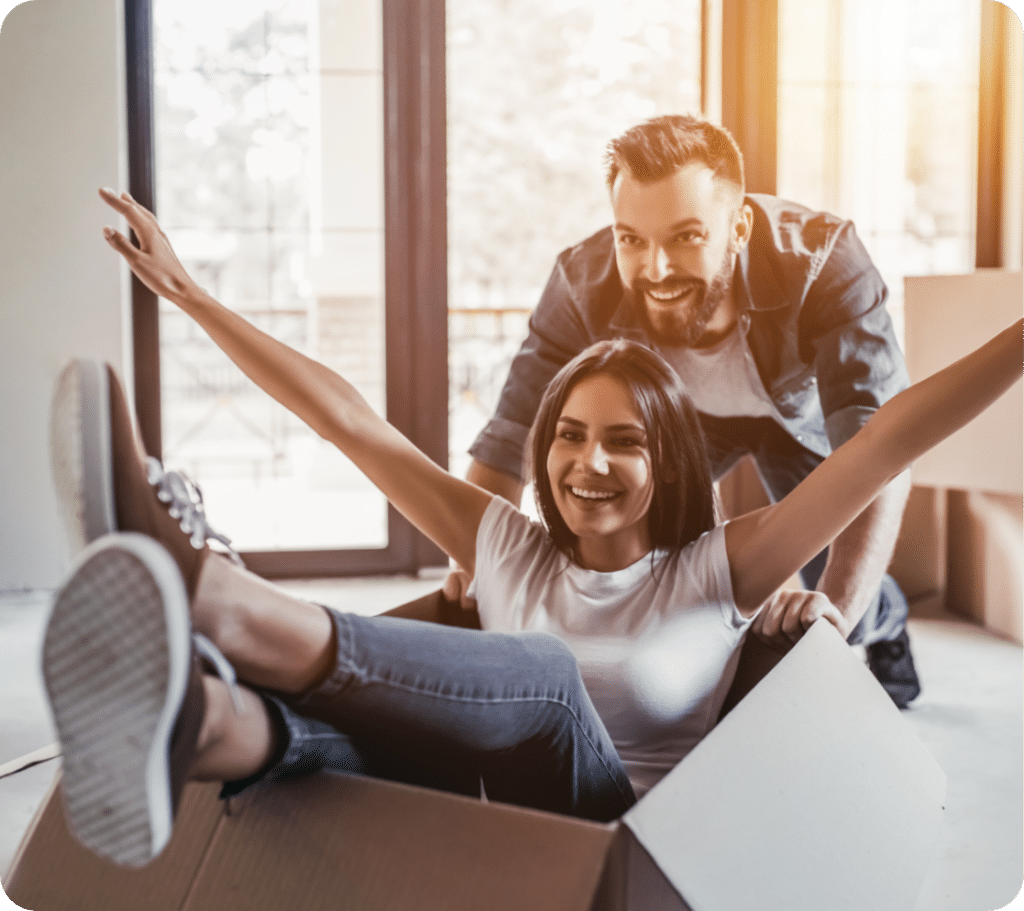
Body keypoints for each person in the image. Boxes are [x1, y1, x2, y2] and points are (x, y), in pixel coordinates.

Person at [41, 187, 1021, 871]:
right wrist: (192, 294)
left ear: (669, 461)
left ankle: (207, 587)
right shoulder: (502, 540)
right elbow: (348, 421)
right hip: (475, 803)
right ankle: (195, 725)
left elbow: (888, 437)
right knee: (335, 735)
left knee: (547, 673)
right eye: (568, 435)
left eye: (623, 442)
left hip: (612, 825)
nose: (588, 462)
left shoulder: (722, 565)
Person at [457, 114, 919, 705]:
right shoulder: (581, 283)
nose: (657, 268)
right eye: (632, 239)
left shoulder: (827, 262)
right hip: (683, 423)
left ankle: (889, 623)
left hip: (798, 420)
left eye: (687, 236)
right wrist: (474, 564)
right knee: (658, 547)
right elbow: (511, 434)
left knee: (834, 576)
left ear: (740, 226)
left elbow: (879, 449)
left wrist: (836, 624)